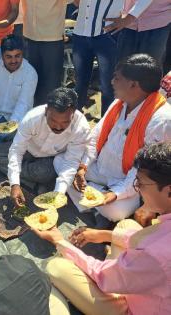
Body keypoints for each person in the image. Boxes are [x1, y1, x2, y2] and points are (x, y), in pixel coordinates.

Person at [33, 142, 171, 315]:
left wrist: (59, 241)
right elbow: (152, 238)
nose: (138, 188)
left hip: (134, 307)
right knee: (126, 225)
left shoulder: (155, 255)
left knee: (56, 268)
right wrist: (104, 235)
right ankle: (119, 264)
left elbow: (102, 275)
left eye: (141, 184)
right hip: (146, 281)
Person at [70, 54, 171, 224]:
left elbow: (145, 169)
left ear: (133, 84)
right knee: (62, 164)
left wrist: (116, 194)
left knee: (115, 212)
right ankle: (96, 200)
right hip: (100, 169)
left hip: (128, 181)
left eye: (117, 78)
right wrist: (83, 167)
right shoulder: (118, 103)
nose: (112, 82)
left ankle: (98, 202)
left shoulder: (162, 119)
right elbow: (96, 138)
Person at [0, 87, 90, 203]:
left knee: (44, 173)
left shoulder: (81, 128)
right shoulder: (31, 118)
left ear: (73, 114)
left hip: (50, 159)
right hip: (28, 150)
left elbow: (70, 162)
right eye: (53, 121)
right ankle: (32, 182)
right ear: (46, 111)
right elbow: (16, 151)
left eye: (65, 122)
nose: (58, 127)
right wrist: (14, 184)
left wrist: (58, 194)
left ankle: (34, 179)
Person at [0, 34, 37, 144]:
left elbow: (23, 104)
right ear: (2, 56)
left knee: (22, 132)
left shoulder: (30, 73)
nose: (14, 61)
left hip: (17, 121)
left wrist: (9, 127)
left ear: (22, 54)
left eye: (17, 56)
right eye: (9, 57)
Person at [72, 0, 122, 115]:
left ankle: (106, 127)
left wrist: (130, 17)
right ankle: (73, 122)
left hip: (107, 34)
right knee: (79, 83)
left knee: (109, 86)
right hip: (80, 33)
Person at [21, 0, 67, 105]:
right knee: (31, 82)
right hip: (29, 35)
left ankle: (50, 117)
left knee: (51, 85)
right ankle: (35, 117)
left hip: (52, 36)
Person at [105, 0, 171, 65]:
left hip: (159, 20)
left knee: (151, 67)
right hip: (124, 21)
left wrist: (130, 17)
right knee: (121, 66)